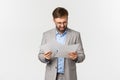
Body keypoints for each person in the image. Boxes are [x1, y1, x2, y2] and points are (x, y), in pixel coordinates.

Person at [38, 7, 85, 80]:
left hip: (69, 75)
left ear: (67, 19)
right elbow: (40, 55)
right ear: (54, 20)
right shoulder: (46, 35)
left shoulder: (75, 35)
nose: (62, 25)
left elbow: (82, 56)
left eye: (64, 22)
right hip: (51, 76)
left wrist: (76, 57)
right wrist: (45, 57)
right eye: (59, 23)